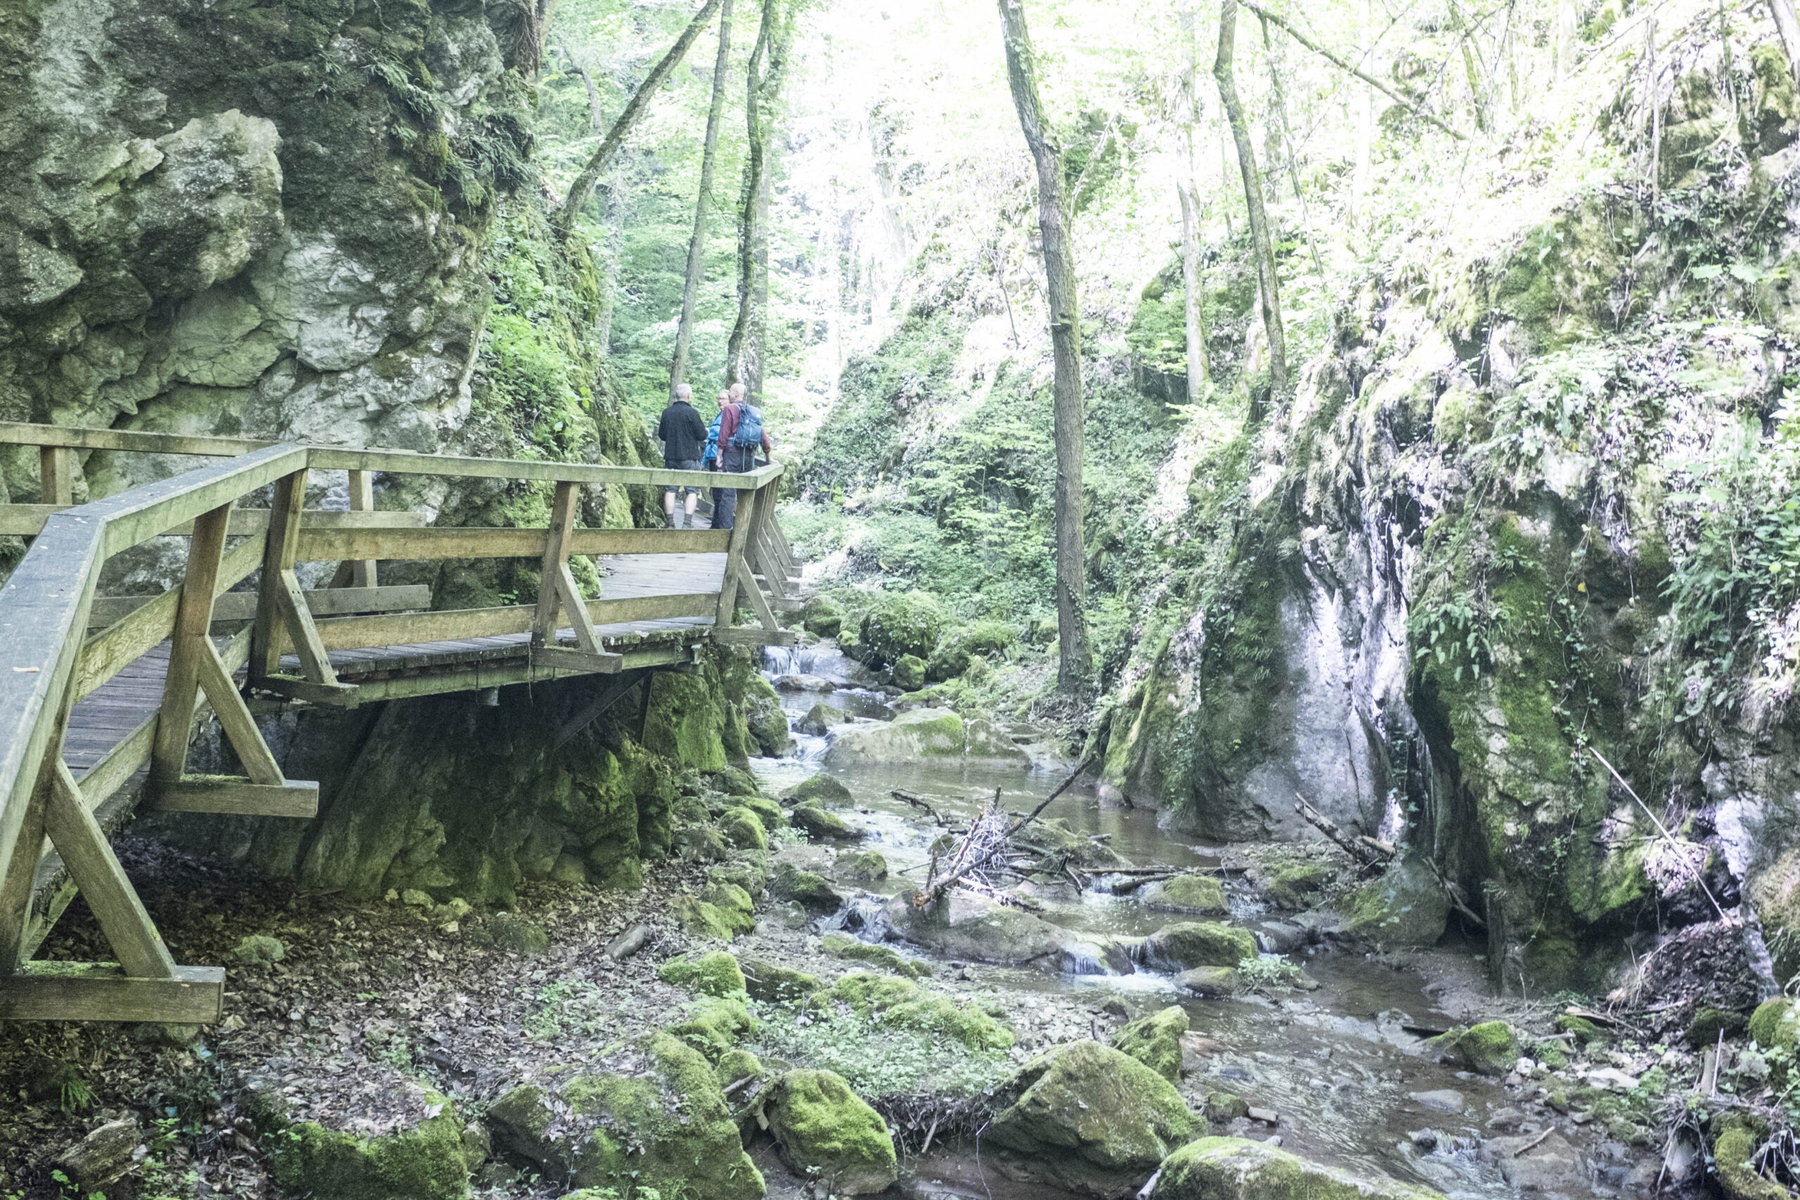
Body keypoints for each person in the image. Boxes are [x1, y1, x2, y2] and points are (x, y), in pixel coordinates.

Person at [710, 380, 772, 530]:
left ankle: (725, 532)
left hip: (731, 455)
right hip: (749, 456)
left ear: (736, 394)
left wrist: (719, 455)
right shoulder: (752, 411)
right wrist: (768, 456)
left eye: (730, 391)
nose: (728, 393)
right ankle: (743, 529)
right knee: (745, 493)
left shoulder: (729, 410)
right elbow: (762, 435)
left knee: (728, 494)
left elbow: (723, 434)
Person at [656, 382, 708, 529]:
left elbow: (662, 435)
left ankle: (670, 522)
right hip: (689, 457)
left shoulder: (667, 412)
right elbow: (701, 435)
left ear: (676, 396)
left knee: (670, 489)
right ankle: (687, 523)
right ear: (689, 396)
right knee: (692, 490)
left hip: (671, 456)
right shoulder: (692, 413)